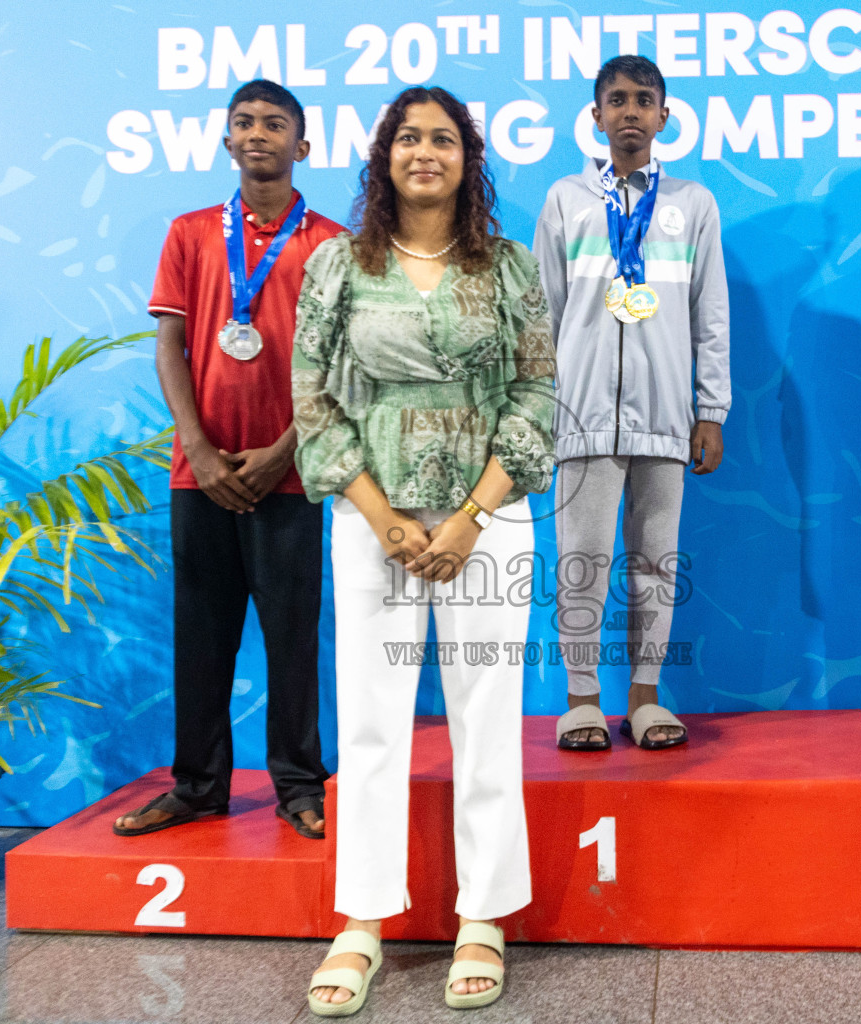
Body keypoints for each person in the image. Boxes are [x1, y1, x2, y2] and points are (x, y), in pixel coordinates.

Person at [293, 86, 556, 1015]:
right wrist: (380, 514)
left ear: (467, 158)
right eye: (409, 137)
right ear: (385, 156)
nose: (425, 152)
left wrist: (473, 515)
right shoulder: (336, 267)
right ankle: (361, 921)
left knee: (487, 717)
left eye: (443, 138)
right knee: (370, 724)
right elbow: (314, 400)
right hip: (375, 525)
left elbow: (535, 395)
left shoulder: (511, 268)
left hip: (487, 521)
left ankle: (481, 916)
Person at [113, 80, 344, 840]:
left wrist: (283, 450)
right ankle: (198, 785)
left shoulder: (331, 244)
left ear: (302, 146)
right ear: (224, 140)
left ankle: (300, 786)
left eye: (274, 124)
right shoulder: (189, 234)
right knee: (202, 636)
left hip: (292, 473)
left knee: (291, 637)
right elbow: (170, 347)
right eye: (243, 122)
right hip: (201, 476)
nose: (257, 134)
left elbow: (340, 367)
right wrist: (201, 451)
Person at [533, 55, 730, 752]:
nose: (630, 113)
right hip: (581, 418)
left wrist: (711, 411)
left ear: (664, 117)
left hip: (666, 419)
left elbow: (711, 315)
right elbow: (542, 317)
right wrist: (538, 411)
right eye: (616, 100)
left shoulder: (692, 205)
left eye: (644, 101)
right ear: (596, 116)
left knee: (656, 564)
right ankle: (581, 700)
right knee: (580, 560)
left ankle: (645, 698)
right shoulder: (564, 200)